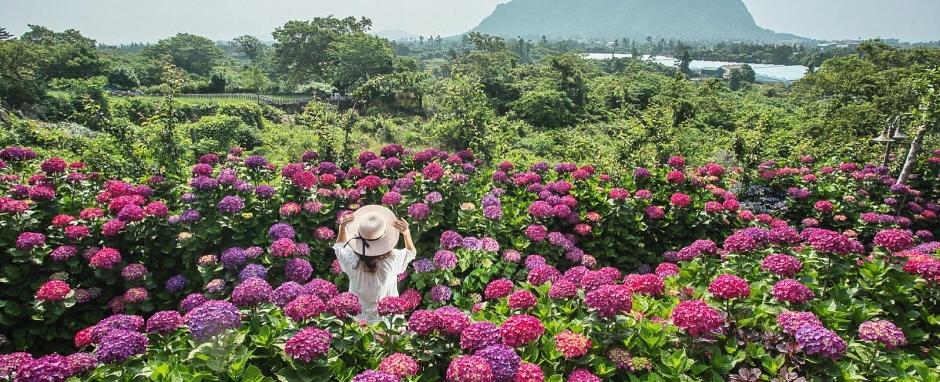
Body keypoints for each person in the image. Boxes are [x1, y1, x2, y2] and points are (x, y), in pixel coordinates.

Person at [333, 205, 416, 322]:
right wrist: (406, 234)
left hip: (358, 321)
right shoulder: (392, 260)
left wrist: (342, 228)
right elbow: (411, 252)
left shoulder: (352, 260)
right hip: (387, 321)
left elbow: (339, 247)